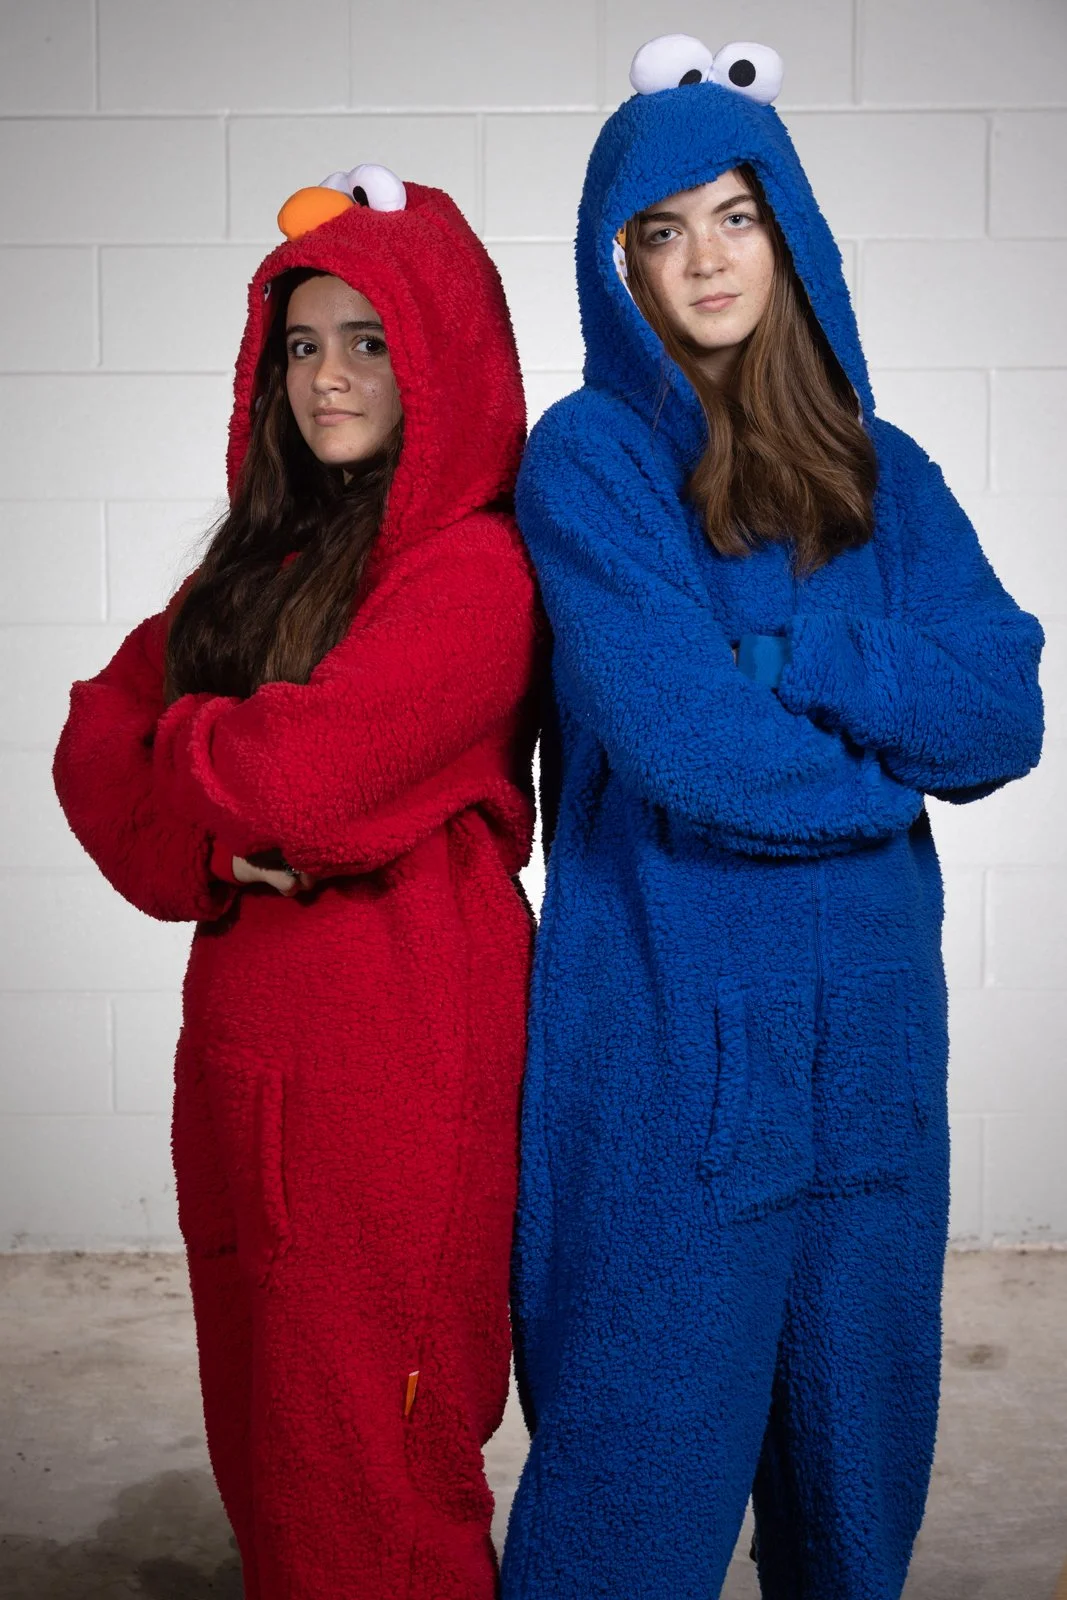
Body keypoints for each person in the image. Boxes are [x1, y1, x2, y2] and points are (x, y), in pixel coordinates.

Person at [502, 34, 1044, 1600]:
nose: (703, 260)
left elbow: (999, 714)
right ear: (616, 264)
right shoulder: (590, 461)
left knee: (857, 1496)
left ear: (786, 228)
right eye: (659, 231)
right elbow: (692, 751)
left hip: (871, 1056)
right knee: (628, 1489)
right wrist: (888, 774)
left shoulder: (890, 477)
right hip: (671, 1052)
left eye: (733, 216)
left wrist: (801, 652)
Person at [53, 163, 542, 1600]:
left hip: (398, 1063)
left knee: (379, 1443)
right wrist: (210, 844)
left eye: (370, 342)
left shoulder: (473, 572)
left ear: (440, 355)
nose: (327, 378)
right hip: (244, 1056)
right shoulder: (262, 563)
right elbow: (90, 742)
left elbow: (299, 781)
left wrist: (190, 742)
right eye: (303, 345)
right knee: (267, 1424)